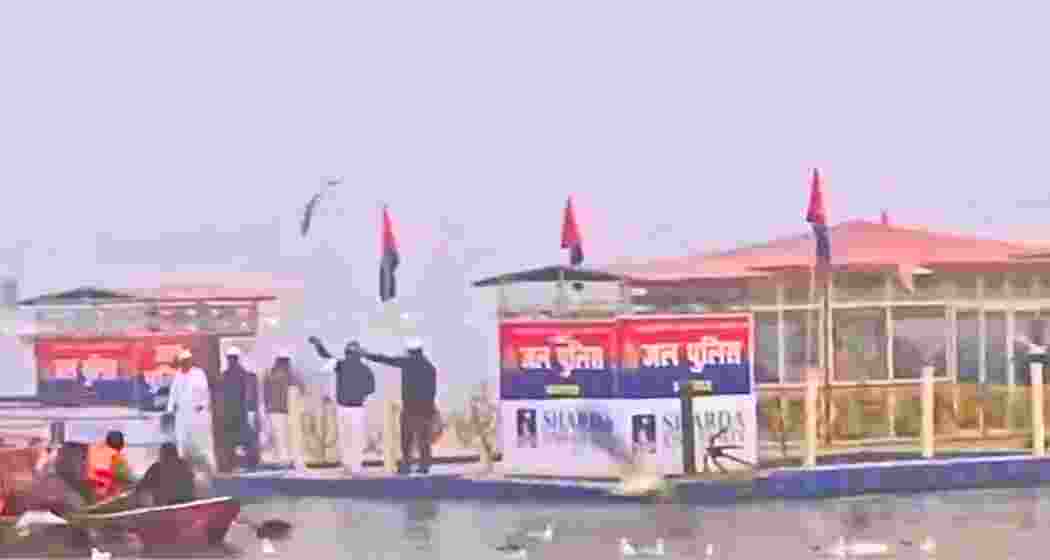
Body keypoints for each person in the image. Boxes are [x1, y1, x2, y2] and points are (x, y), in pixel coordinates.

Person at [359, 337, 436, 475]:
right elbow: (432, 391)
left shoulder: (407, 363)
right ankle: (424, 466)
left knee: (407, 440)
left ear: (409, 351)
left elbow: (386, 359)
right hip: (425, 409)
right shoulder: (430, 367)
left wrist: (366, 354)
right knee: (423, 440)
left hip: (410, 408)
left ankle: (406, 465)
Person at [307, 337, 376, 476]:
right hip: (357, 408)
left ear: (346, 353)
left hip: (343, 408)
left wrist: (318, 344)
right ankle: (356, 467)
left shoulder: (341, 365)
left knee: (345, 439)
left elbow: (325, 356)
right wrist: (359, 393)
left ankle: (348, 466)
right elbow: (371, 388)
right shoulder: (365, 369)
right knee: (356, 439)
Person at [167, 349, 216, 471]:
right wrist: (170, 409)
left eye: (186, 362)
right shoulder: (178, 375)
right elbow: (173, 395)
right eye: (182, 363)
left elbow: (205, 392)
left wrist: (203, 404)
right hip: (182, 416)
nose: (184, 365)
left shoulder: (199, 374)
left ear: (190, 362)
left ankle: (211, 468)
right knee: (182, 444)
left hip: (198, 415)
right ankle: (182, 469)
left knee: (203, 445)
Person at [262, 349, 307, 469]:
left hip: (273, 410)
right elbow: (302, 388)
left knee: (280, 438)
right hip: (286, 410)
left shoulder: (269, 373)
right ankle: (289, 461)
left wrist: (266, 408)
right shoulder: (291, 374)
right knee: (287, 437)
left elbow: (265, 393)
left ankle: (284, 461)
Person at [220, 347, 258, 471]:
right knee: (240, 440)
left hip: (237, 412)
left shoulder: (232, 374)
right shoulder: (238, 374)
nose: (231, 361)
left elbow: (247, 393)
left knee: (240, 440)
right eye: (230, 358)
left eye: (231, 358)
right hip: (236, 412)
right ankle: (243, 463)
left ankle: (243, 463)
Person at [134, 443, 195, 507]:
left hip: (167, 508)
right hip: (185, 506)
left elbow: (141, 486)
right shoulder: (184, 465)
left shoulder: (156, 468)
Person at [86, 431, 133, 502]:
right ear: (122, 446)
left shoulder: (92, 450)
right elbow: (126, 476)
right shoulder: (117, 458)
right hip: (105, 496)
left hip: (90, 491)